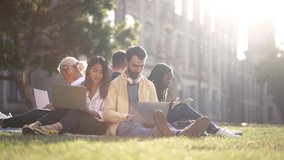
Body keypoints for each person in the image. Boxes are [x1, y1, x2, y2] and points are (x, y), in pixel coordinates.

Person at [103, 45, 209, 137]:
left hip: (147, 123)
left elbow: (156, 112)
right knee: (135, 127)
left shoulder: (149, 85)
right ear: (126, 62)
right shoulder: (114, 85)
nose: (138, 70)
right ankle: (159, 133)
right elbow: (107, 113)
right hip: (123, 123)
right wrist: (126, 116)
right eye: (135, 66)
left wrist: (164, 109)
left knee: (164, 124)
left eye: (141, 66)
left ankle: (178, 134)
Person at [148, 63, 243, 137]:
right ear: (159, 77)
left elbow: (159, 108)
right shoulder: (148, 87)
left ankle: (212, 129)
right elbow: (149, 109)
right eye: (168, 79)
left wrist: (169, 106)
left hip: (163, 119)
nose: (170, 82)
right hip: (154, 120)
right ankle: (215, 130)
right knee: (183, 108)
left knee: (188, 121)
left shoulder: (160, 91)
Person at [22, 56, 110, 135]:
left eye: (101, 72)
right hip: (79, 122)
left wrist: (89, 111)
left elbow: (106, 113)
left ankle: (54, 128)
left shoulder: (107, 90)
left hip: (98, 126)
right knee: (64, 109)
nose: (98, 75)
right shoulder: (82, 86)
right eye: (95, 70)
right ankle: (37, 125)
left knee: (79, 111)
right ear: (89, 71)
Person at [0, 57, 86, 128]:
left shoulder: (79, 83)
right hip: (66, 116)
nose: (64, 80)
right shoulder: (81, 81)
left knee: (35, 114)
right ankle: (7, 121)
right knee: (37, 113)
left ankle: (5, 122)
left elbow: (73, 105)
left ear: (68, 70)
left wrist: (55, 106)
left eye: (63, 76)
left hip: (68, 118)